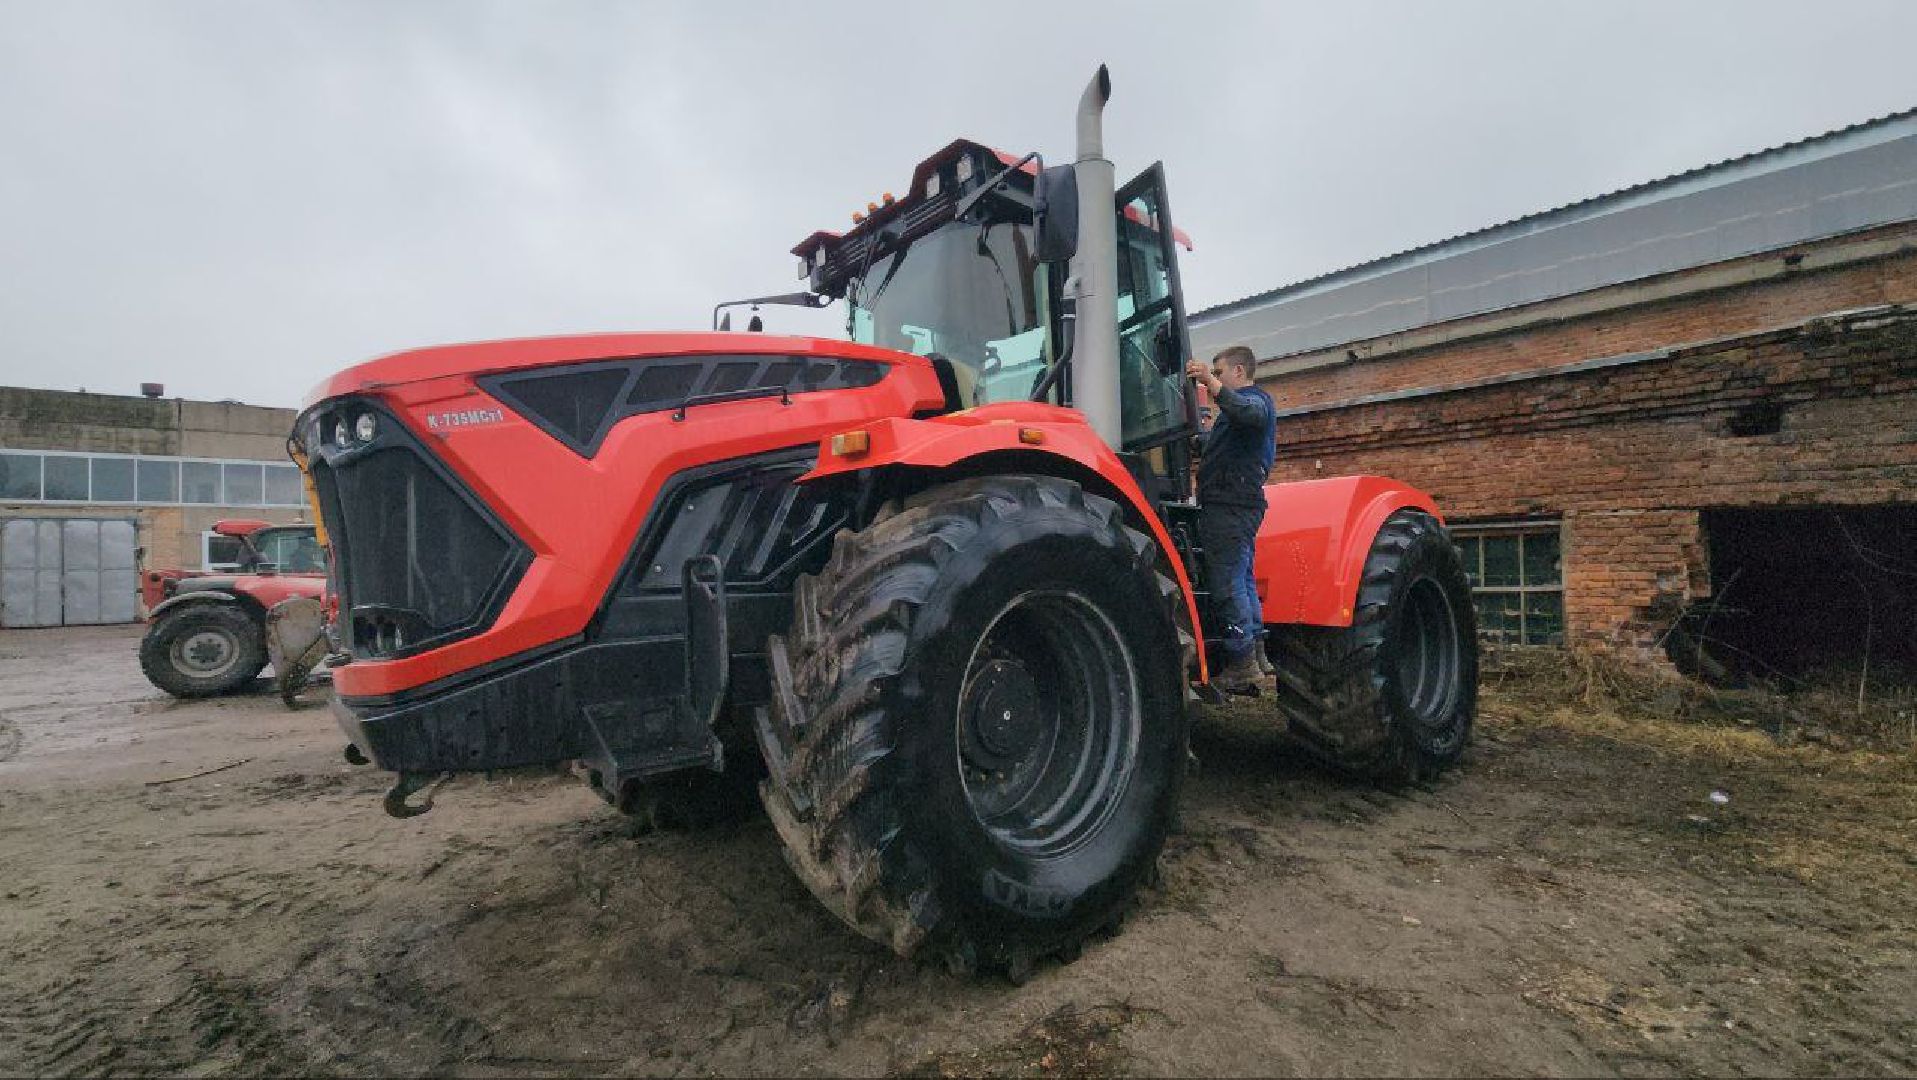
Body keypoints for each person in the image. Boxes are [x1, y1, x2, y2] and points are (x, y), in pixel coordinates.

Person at [1185, 345, 1277, 693]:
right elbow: (1221, 445)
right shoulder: (1235, 416)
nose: (1215, 378)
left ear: (1239, 372)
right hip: (1238, 505)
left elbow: (1249, 414)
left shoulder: (1257, 402)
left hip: (1231, 506)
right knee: (1243, 579)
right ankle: (1256, 654)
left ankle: (1242, 663)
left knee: (1228, 583)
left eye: (1219, 372)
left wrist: (1210, 384)